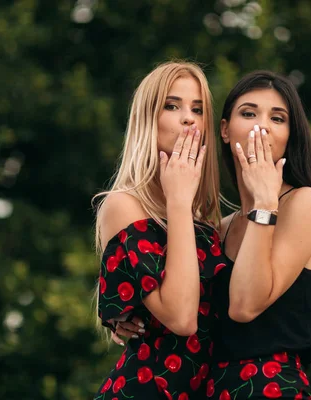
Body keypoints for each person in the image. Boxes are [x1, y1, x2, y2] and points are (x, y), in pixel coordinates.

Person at [204, 70, 311, 399]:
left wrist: (265, 202)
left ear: (289, 135)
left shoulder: (304, 204)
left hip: (271, 388)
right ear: (225, 130)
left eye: (277, 118)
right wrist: (126, 319)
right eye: (249, 113)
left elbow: (244, 305)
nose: (262, 125)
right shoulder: (220, 228)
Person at [93, 61, 226, 400]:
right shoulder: (124, 205)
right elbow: (182, 318)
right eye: (172, 105)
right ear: (148, 120)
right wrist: (178, 201)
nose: (188, 118)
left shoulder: (206, 223)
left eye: (198, 109)